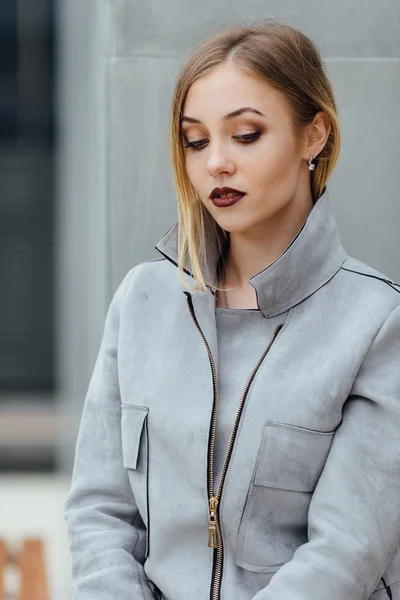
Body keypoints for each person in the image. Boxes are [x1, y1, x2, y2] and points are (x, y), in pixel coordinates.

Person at [64, 20, 400, 600]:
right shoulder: (142, 302)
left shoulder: (376, 322)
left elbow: (346, 551)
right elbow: (100, 512)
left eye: (245, 135)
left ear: (313, 135)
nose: (216, 162)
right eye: (196, 141)